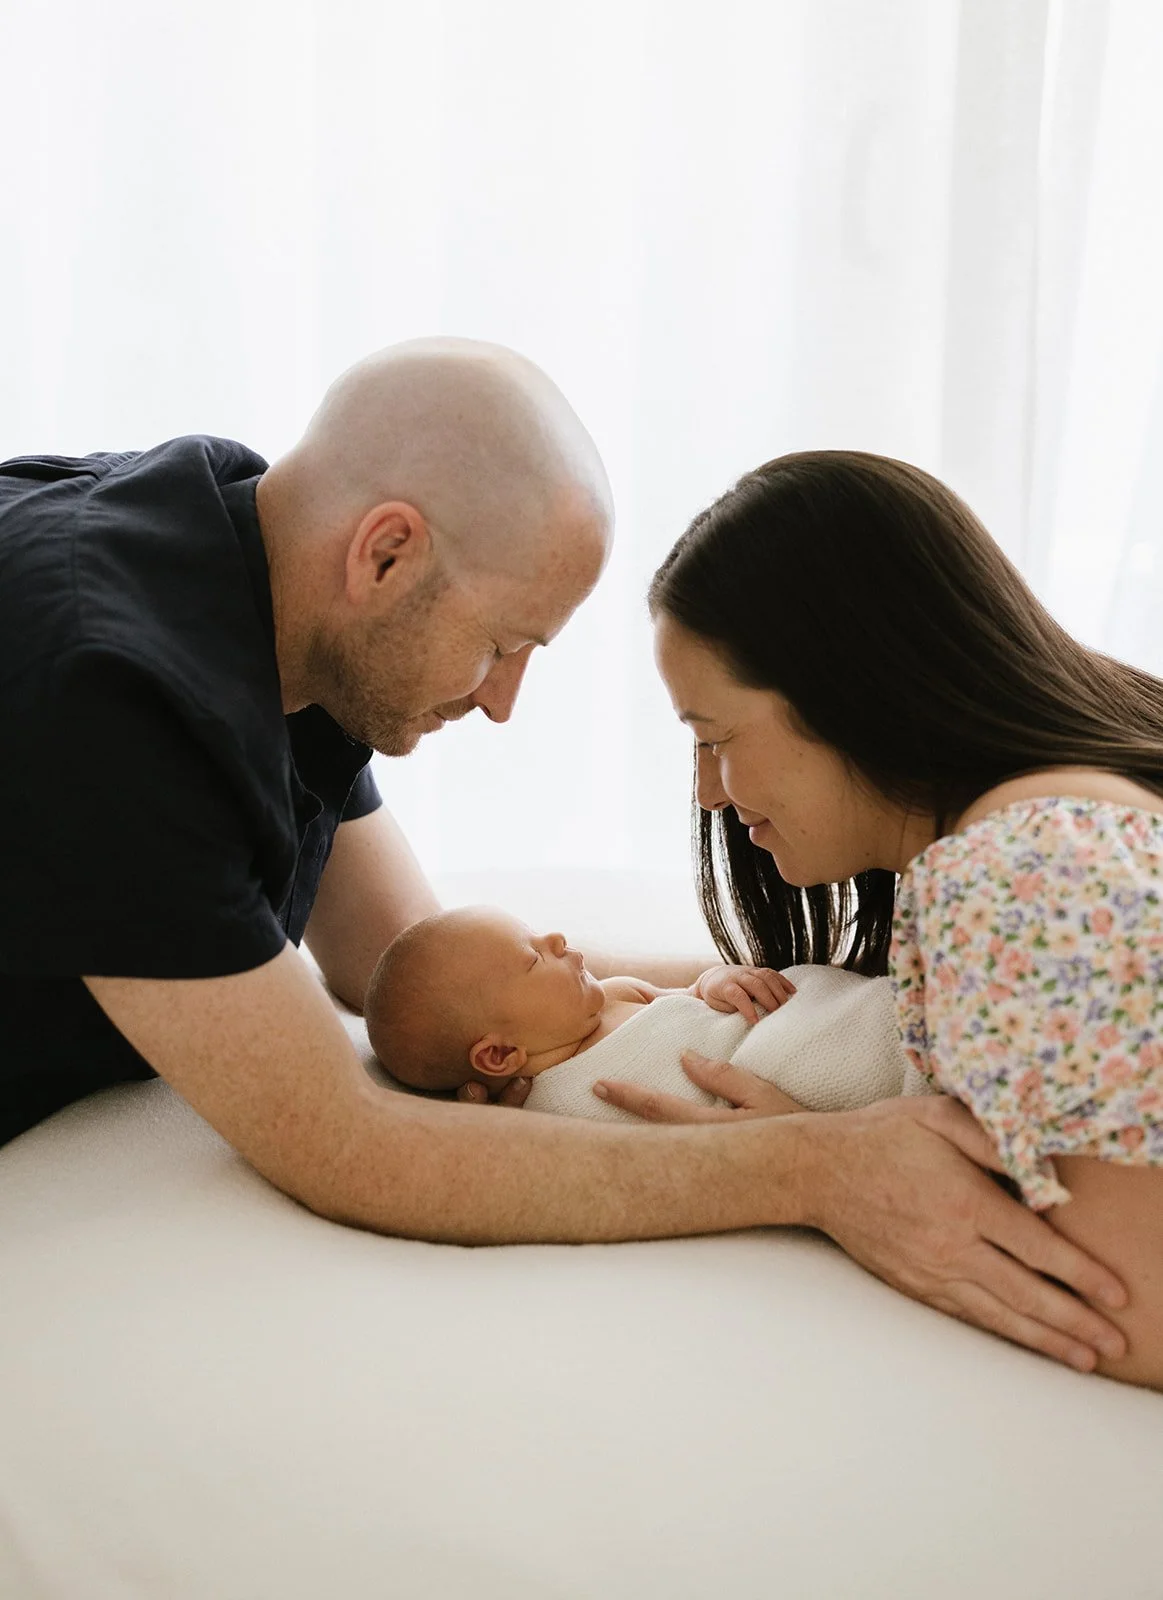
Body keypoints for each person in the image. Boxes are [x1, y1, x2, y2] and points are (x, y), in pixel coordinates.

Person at [0, 349, 1130, 1381]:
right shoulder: (108, 689)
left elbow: (398, 956)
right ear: (383, 552)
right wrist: (815, 1165)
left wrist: (815, 987)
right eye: (501, 644)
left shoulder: (256, 552)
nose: (499, 702)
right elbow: (344, 1145)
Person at [590, 449, 1163, 1389]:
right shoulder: (1052, 824)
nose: (705, 793)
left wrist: (804, 1172)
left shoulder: (1020, 868)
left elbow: (1111, 1316)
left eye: (714, 739)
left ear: (848, 687)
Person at [364, 905, 923, 1122]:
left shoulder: (616, 992)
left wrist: (718, 980)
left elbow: (693, 997)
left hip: (801, 1017)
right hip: (783, 1077)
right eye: (533, 955)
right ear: (499, 1054)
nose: (557, 936)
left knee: (877, 1013)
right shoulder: (552, 1111)